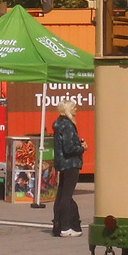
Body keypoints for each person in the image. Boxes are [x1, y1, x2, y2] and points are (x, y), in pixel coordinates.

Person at [51, 99, 86, 238]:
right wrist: (82, 147)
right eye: (73, 107)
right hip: (71, 163)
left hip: (61, 162)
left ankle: (57, 225)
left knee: (61, 195)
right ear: (67, 109)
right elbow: (69, 147)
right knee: (67, 196)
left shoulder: (58, 123)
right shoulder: (68, 125)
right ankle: (65, 227)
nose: (76, 109)